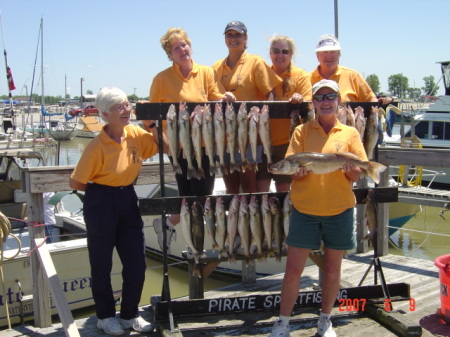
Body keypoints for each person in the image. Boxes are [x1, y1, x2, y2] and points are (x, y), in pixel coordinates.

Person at [268, 80, 366, 337]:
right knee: (293, 269)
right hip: (305, 210)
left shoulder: (350, 134)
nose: (325, 102)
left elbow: (356, 175)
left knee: (333, 270)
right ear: (313, 103)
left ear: (338, 101)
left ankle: (325, 321)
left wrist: (353, 170)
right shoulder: (301, 132)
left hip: (340, 210)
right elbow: (292, 172)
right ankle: (283, 322)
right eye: (320, 97)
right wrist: (296, 174)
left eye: (330, 96)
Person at [70, 87, 166, 336]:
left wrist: (152, 124)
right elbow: (77, 182)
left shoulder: (135, 133)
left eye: (127, 104)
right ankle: (104, 316)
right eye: (118, 107)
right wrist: (102, 192)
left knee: (136, 261)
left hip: (128, 197)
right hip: (100, 200)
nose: (126, 110)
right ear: (105, 114)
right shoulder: (96, 145)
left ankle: (130, 314)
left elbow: (163, 147)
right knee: (101, 263)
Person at [149, 27, 235, 253]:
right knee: (187, 195)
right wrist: (161, 140)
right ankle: (191, 244)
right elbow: (148, 116)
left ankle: (170, 225)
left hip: (205, 145)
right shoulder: (161, 79)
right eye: (175, 48)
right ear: (170, 54)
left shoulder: (206, 72)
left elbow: (215, 97)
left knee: (202, 195)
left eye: (183, 45)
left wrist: (225, 98)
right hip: (177, 148)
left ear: (190, 46)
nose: (181, 50)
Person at [213, 20, 282, 194]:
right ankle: (234, 221)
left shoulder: (256, 62)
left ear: (245, 38)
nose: (233, 38)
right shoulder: (216, 67)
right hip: (225, 137)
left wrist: (264, 122)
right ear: (225, 38)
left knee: (249, 186)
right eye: (229, 35)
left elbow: (271, 94)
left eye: (238, 35)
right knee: (231, 188)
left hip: (250, 136)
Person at [256, 35, 312, 193]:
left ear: (291, 55)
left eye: (285, 52)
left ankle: (285, 219)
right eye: (276, 51)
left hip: (287, 145)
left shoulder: (301, 75)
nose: (280, 55)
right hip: (261, 143)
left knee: (284, 191)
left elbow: (308, 103)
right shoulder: (262, 74)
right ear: (270, 53)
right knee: (261, 191)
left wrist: (300, 99)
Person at [310, 34, 393, 105]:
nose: (329, 56)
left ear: (339, 55)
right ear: (317, 56)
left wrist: (382, 102)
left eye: (333, 52)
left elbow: (370, 99)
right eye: (324, 52)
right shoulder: (307, 79)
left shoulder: (353, 76)